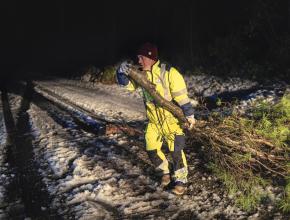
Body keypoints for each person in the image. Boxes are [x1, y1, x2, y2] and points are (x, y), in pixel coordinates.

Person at [116, 43, 195, 195]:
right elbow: (126, 85)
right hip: (154, 122)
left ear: (150, 57)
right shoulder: (141, 74)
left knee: (176, 152)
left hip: (172, 121)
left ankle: (180, 181)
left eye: (141, 57)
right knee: (151, 149)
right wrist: (120, 73)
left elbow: (182, 97)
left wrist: (189, 115)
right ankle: (165, 171)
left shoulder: (169, 73)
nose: (138, 61)